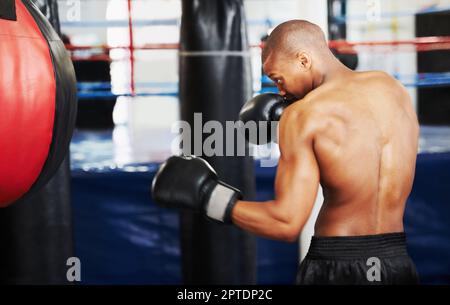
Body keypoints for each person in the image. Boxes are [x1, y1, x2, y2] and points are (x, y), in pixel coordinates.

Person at [152, 20, 420, 285]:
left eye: (278, 79)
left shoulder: (303, 115)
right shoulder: (394, 90)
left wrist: (209, 197)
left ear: (304, 60)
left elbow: (286, 222)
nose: (280, 90)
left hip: (339, 266)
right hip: (395, 262)